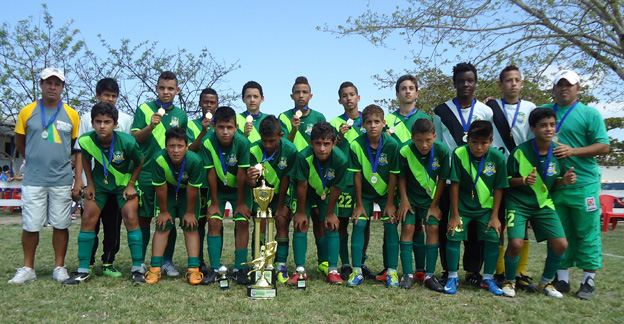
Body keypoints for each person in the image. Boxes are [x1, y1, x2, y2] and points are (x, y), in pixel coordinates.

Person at [542, 70, 610, 299]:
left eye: (569, 85)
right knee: (560, 234)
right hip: (556, 185)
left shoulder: (589, 114)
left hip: (584, 185)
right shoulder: (545, 112)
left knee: (586, 232)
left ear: (578, 89)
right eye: (560, 85)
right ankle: (562, 279)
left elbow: (603, 146)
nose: (564, 89)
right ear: (553, 89)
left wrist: (573, 151)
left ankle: (588, 281)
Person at [9, 67, 79, 284]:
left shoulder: (72, 114)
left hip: (61, 179)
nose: (52, 87)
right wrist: (34, 158)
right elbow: (20, 142)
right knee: (31, 225)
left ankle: (59, 267)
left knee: (61, 224)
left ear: (62, 88)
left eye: (57, 83)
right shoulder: (27, 111)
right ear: (40, 84)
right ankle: (28, 268)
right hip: (34, 179)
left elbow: (74, 149)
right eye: (48, 82)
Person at [62, 102, 145, 285]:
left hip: (123, 183)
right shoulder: (86, 140)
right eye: (98, 121)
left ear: (115, 124)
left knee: (131, 217)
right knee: (88, 219)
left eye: (107, 122)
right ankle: (83, 269)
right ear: (92, 123)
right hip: (100, 184)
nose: (102, 126)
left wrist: (131, 184)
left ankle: (138, 267)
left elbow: (140, 160)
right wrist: (89, 183)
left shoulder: (127, 141)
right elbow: (84, 157)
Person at [501, 108, 576, 298]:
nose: (549, 129)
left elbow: (555, 180)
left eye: (552, 125)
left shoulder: (558, 152)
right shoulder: (520, 152)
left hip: (543, 204)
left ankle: (546, 283)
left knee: (561, 244)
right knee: (516, 243)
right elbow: (506, 181)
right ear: (533, 129)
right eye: (543, 125)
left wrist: (564, 181)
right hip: (518, 202)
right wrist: (523, 180)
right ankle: (509, 281)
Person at [433, 62, 493, 286]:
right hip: (451, 179)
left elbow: (489, 144)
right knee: (448, 226)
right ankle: (449, 271)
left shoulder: (486, 111)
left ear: (475, 83)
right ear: (454, 83)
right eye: (461, 81)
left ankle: (473, 271)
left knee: (475, 228)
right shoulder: (441, 111)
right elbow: (439, 144)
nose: (465, 84)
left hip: (477, 181)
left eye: (470, 80)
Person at [72, 78, 134, 278]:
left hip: (117, 182)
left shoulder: (124, 119)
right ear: (97, 95)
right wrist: (79, 180)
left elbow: (129, 150)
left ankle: (108, 260)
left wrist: (128, 182)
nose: (110, 99)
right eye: (106, 95)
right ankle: (87, 263)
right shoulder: (86, 118)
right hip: (93, 181)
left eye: (114, 96)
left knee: (113, 222)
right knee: (90, 219)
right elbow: (80, 151)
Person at [486, 66, 538, 290]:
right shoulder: (490, 108)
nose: (513, 84)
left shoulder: (531, 108)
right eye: (508, 80)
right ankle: (499, 271)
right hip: (497, 171)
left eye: (517, 80)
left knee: (522, 223)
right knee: (497, 219)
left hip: (521, 171)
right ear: (500, 85)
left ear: (522, 83)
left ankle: (520, 271)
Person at [132, 71, 188, 276]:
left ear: (177, 91)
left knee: (168, 218)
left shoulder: (181, 115)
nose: (166, 92)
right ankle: (140, 261)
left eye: (171, 88)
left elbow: (183, 146)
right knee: (144, 218)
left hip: (171, 175)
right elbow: (134, 140)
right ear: (156, 88)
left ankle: (167, 261)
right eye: (162, 88)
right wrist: (151, 125)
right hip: (146, 172)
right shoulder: (144, 109)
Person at [379, 75, 432, 283]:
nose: (407, 91)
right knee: (390, 224)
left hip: (418, 182)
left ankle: (419, 269)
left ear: (417, 93)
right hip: (394, 179)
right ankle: (388, 267)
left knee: (416, 225)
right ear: (397, 94)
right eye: (403, 88)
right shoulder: (388, 120)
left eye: (411, 88)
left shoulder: (424, 119)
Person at [445, 120, 507, 295]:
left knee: (494, 236)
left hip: (486, 208)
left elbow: (499, 187)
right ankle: (452, 276)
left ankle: (487, 278)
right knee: (453, 233)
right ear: (468, 139)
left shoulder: (497, 157)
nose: (479, 147)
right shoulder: (459, 154)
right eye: (474, 142)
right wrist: (455, 215)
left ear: (491, 141)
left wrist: (495, 216)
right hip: (462, 207)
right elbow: (454, 185)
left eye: (484, 143)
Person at [278, 76, 329, 276]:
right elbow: (284, 144)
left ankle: (324, 262)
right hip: (291, 173)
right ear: (292, 95)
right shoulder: (283, 117)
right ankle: (285, 263)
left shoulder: (319, 116)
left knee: (318, 218)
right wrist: (293, 128)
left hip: (315, 175)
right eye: (297, 92)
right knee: (290, 218)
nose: (301, 95)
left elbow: (323, 143)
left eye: (304, 92)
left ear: (310, 95)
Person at [347, 104, 400, 287]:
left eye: (377, 122)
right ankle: (357, 270)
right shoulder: (356, 145)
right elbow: (357, 175)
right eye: (368, 122)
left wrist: (391, 202)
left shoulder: (392, 145)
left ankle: (392, 271)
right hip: (365, 194)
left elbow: (394, 174)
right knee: (359, 223)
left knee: (391, 224)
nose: (373, 126)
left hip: (387, 194)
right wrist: (359, 204)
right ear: (362, 125)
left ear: (384, 123)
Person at [288, 122, 348, 285]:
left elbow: (336, 188)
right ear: (311, 143)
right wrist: (301, 211)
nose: (322, 148)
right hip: (305, 194)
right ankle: (300, 270)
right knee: (301, 224)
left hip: (327, 193)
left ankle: (333, 270)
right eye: (318, 144)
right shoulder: (303, 156)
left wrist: (330, 213)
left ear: (334, 143)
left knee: (331, 224)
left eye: (327, 144)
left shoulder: (341, 160)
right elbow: (302, 185)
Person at [199, 106, 253, 285]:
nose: (225, 131)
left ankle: (239, 268)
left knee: (242, 221)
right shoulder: (207, 142)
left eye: (229, 127)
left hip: (240, 189)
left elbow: (242, 174)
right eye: (221, 127)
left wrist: (240, 203)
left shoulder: (243, 143)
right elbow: (211, 174)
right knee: (214, 221)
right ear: (214, 126)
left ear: (236, 127)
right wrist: (214, 203)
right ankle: (215, 269)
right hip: (218, 190)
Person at [144, 127, 205, 285]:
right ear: (165, 146)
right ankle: (155, 268)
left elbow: (193, 188)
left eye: (180, 146)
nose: (176, 150)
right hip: (167, 193)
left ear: (187, 146)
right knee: (162, 226)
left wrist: (190, 212)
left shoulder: (195, 160)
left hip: (187, 194)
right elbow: (160, 187)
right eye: (172, 146)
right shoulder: (158, 159)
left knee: (191, 226)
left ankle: (193, 269)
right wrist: (164, 211)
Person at [397, 118, 449, 291]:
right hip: (410, 198)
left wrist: (435, 205)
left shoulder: (441, 150)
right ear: (412, 138)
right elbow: (401, 177)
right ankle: (407, 274)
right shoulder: (405, 150)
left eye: (428, 140)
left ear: (435, 136)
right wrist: (404, 200)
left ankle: (429, 274)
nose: (424, 145)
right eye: (419, 140)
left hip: (430, 200)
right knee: (407, 228)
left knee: (433, 229)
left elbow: (442, 179)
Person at [246, 115, 299, 283]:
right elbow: (249, 183)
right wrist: (251, 177)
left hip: (282, 193)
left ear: (281, 136)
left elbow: (286, 179)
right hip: (260, 194)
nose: (268, 145)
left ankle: (280, 267)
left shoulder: (290, 150)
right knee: (260, 222)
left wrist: (282, 204)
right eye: (264, 141)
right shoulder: (253, 150)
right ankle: (259, 264)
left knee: (282, 220)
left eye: (272, 141)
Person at [329, 81, 365, 280]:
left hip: (364, 180)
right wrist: (339, 138)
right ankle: (345, 263)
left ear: (358, 97)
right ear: (340, 100)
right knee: (341, 222)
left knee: (362, 224)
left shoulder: (369, 121)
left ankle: (362, 262)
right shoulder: (335, 123)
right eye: (345, 95)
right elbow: (328, 149)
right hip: (344, 180)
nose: (349, 98)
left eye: (352, 94)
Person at [187, 88, 218, 275]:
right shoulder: (191, 125)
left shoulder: (223, 125)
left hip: (218, 182)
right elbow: (190, 150)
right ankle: (198, 261)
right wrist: (203, 131)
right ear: (200, 104)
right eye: (205, 102)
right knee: (198, 223)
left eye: (212, 102)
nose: (209, 105)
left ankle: (217, 263)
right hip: (199, 182)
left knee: (215, 222)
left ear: (217, 104)